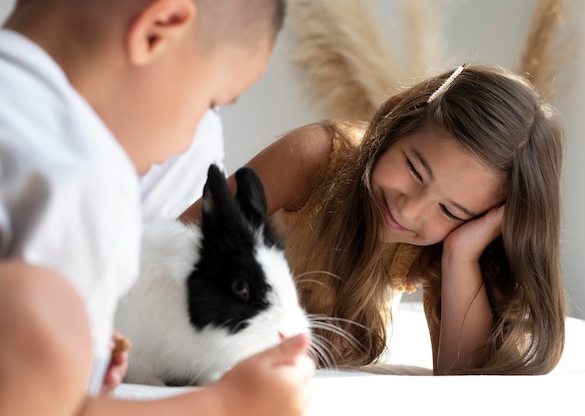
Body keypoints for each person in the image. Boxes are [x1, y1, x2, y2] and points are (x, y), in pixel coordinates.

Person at [0, 0, 314, 415]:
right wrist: (225, 403)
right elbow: (60, 404)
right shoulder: (85, 171)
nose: (188, 144)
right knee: (46, 318)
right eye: (208, 104)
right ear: (156, 32)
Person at [183, 64, 567, 375]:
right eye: (416, 171)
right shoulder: (317, 157)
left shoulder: (437, 244)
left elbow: (460, 377)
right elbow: (179, 238)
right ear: (396, 118)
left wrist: (460, 254)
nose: (409, 210)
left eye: (451, 210)